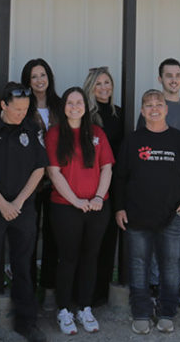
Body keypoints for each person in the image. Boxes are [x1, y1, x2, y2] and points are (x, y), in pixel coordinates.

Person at [114, 90, 180, 335]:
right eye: (148, 105)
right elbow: (120, 178)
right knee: (138, 265)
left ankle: (166, 312)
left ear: (166, 109)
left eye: (158, 104)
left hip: (172, 216)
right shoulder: (132, 140)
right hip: (137, 216)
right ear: (142, 111)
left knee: (170, 265)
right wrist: (119, 208)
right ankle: (141, 312)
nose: (154, 108)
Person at [0, 83, 49, 342]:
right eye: (16, 109)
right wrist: (1, 203)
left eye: (25, 109)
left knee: (23, 266)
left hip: (23, 208)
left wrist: (17, 202)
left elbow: (40, 168)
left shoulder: (31, 127)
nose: (21, 114)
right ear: (3, 105)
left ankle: (26, 324)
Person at [45, 87, 114, 335]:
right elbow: (54, 172)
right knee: (68, 258)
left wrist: (97, 197)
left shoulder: (97, 133)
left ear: (86, 106)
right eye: (70, 102)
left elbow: (107, 168)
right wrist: (75, 200)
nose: (75, 106)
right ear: (64, 107)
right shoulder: (54, 134)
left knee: (90, 257)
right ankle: (64, 309)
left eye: (79, 102)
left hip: (96, 207)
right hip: (66, 207)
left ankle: (85, 307)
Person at [135, 58, 180, 306]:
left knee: (174, 241)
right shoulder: (151, 106)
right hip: (152, 186)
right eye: (168, 75)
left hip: (179, 186)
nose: (174, 79)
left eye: (178, 75)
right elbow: (140, 147)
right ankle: (153, 287)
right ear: (160, 79)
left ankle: (171, 287)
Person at [19, 58, 61, 302]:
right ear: (28, 80)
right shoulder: (23, 106)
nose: (39, 80)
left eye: (42, 75)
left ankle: (49, 287)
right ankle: (28, 291)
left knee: (53, 234)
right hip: (31, 181)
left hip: (56, 180)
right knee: (29, 235)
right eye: (34, 76)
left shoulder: (59, 105)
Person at [82, 66, 124, 305]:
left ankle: (100, 293)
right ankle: (83, 292)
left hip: (113, 184)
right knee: (89, 241)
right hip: (88, 185)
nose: (104, 88)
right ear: (91, 87)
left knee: (108, 238)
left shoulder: (119, 113)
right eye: (98, 84)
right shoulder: (86, 116)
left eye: (107, 82)